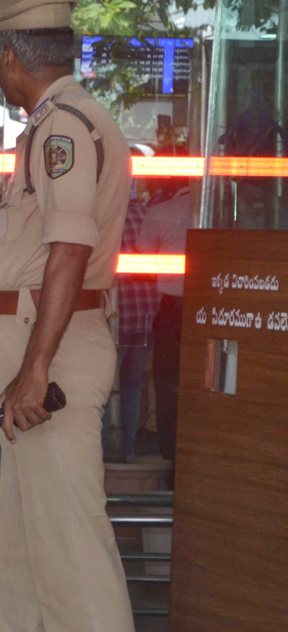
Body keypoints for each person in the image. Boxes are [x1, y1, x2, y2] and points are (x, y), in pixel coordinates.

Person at [0, 0, 144, 632]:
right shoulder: (55, 122)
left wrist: (35, 367)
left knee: (73, 555)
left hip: (50, 349)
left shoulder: (64, 128)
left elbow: (70, 249)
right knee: (24, 559)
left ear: (9, 57)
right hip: (36, 343)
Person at [137, 177, 191, 463]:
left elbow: (143, 251)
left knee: (168, 383)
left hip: (172, 309)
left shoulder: (161, 212)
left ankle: (170, 452)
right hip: (217, 307)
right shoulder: (227, 209)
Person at [112, 185, 158, 460]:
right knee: (132, 386)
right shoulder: (146, 214)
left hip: (114, 319)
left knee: (105, 390)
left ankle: (105, 453)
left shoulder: (103, 217)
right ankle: (127, 452)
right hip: (146, 317)